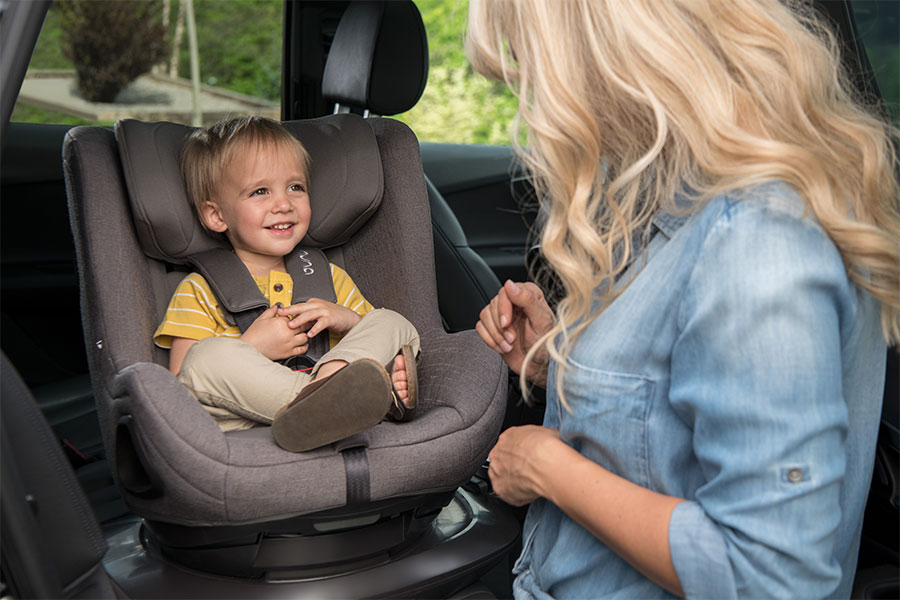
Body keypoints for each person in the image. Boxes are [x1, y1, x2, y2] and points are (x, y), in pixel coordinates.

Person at [469, 0, 900, 598]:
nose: (537, 107)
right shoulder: (670, 197)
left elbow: (770, 578)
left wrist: (549, 470)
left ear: (608, 56)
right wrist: (558, 362)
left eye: (538, 69)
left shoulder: (757, 239)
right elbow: (668, 411)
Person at [154, 116, 420, 453]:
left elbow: (371, 340)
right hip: (243, 415)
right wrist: (253, 346)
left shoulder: (329, 278)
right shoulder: (200, 289)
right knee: (204, 358)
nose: (284, 204)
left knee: (394, 323)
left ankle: (326, 399)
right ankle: (338, 405)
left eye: (296, 187)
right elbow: (184, 380)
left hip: (323, 391)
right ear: (217, 216)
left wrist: (348, 319)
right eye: (260, 191)